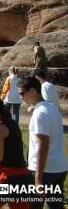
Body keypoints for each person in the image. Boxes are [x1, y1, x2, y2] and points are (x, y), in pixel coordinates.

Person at [18, 76, 68, 209]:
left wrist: (38, 179)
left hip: (43, 171)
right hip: (59, 168)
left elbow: (43, 146)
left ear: (33, 91)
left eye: (22, 93)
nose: (21, 97)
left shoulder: (39, 114)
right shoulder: (52, 108)